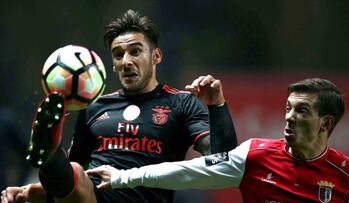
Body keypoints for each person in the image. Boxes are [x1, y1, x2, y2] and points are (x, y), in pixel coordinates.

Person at [0, 10, 237, 203]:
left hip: (143, 198)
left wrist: (217, 105)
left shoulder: (180, 103)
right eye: (118, 54)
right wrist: (28, 191)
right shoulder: (94, 107)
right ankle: (49, 153)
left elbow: (222, 162)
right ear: (111, 65)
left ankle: (49, 154)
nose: (126, 61)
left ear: (156, 56)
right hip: (93, 196)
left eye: (135, 51)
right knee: (72, 173)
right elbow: (68, 184)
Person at [86, 75, 349, 203]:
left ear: (325, 123)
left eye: (302, 111)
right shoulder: (254, 155)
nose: (289, 117)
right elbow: (186, 171)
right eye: (288, 108)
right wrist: (123, 177)